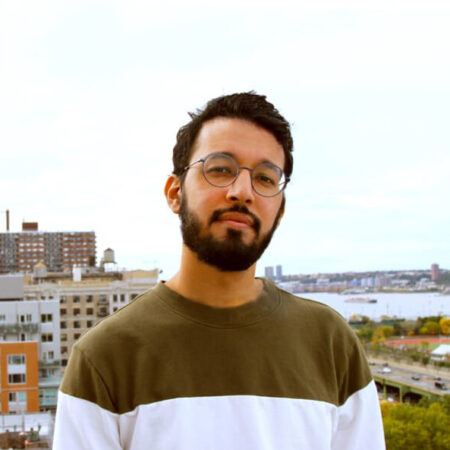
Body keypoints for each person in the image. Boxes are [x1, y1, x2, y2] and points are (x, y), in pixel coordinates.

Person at [53, 92, 385, 449]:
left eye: (265, 178)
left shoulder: (331, 344)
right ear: (175, 192)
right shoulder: (105, 357)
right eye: (221, 169)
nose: (242, 192)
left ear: (280, 209)